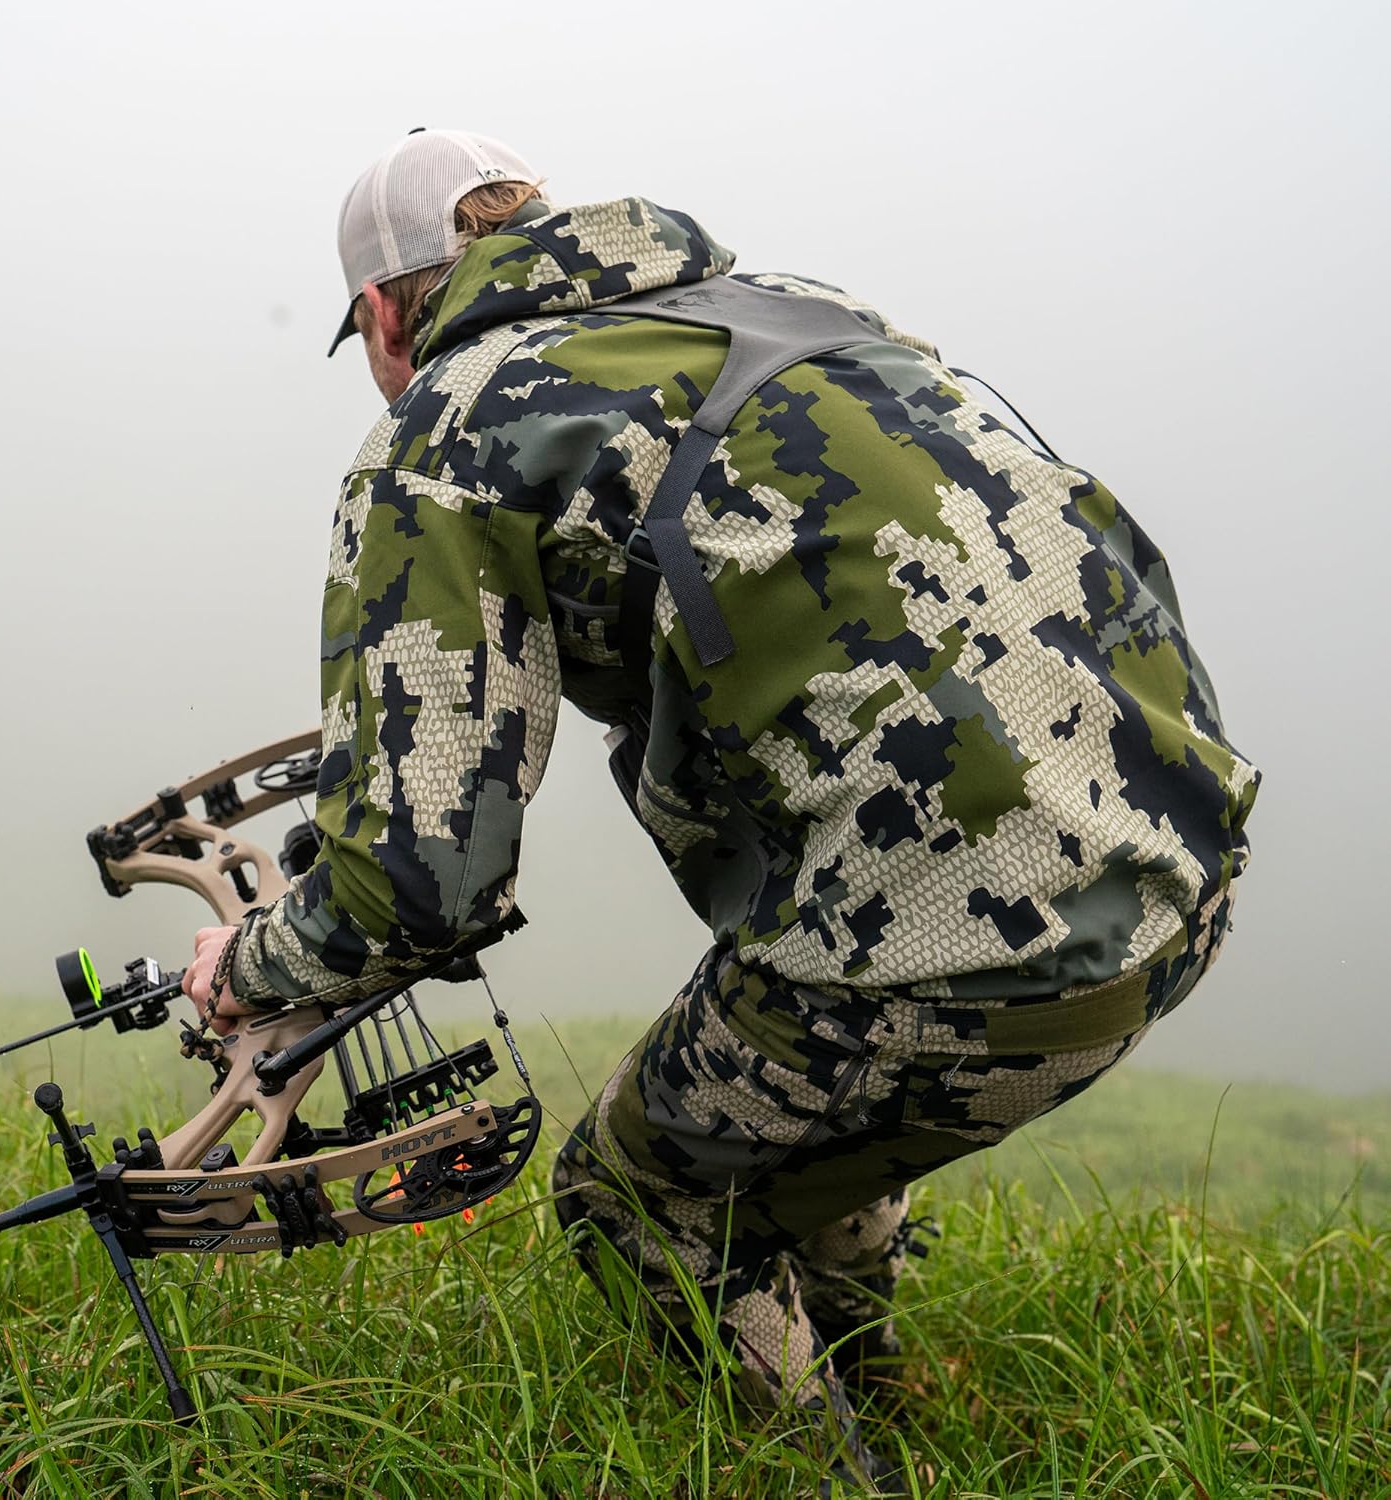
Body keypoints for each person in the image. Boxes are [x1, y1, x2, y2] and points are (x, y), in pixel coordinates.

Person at [183, 127, 1259, 1490]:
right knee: (805, 1132)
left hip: (960, 953)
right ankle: (900, 1416)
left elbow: (418, 883)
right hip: (1187, 870)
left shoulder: (441, 431)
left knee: (638, 1191)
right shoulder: (807, 308)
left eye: (370, 336)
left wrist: (250, 967)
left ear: (386, 311)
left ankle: (819, 1471)